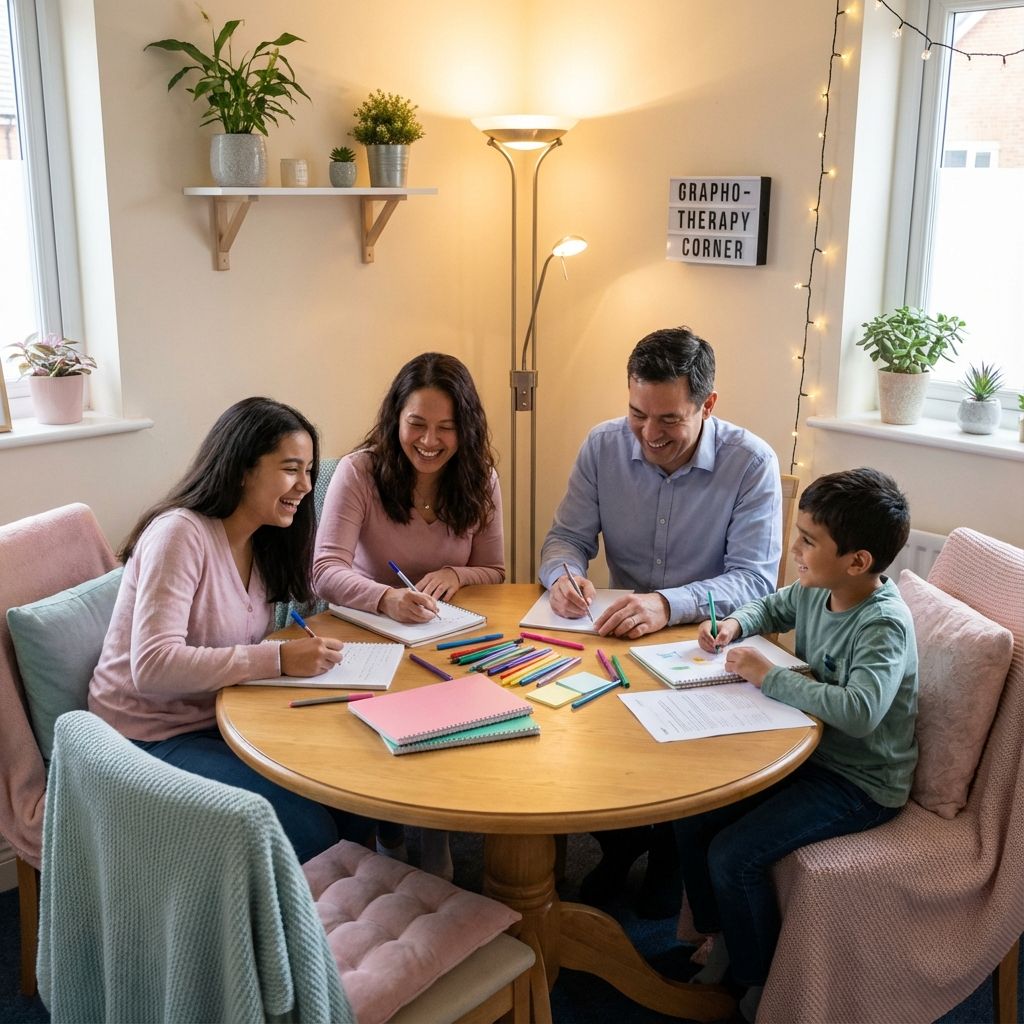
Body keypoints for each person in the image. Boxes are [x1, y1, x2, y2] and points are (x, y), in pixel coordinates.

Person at [539, 325, 782, 912]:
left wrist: (666, 603)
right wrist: (564, 576)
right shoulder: (601, 446)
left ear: (708, 406)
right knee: (564, 731)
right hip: (617, 635)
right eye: (637, 414)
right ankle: (620, 843)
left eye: (669, 419)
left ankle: (671, 852)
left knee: (685, 762)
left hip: (706, 645)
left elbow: (756, 580)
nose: (650, 434)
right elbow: (564, 539)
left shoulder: (752, 462)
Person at [674, 467, 918, 1022]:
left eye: (809, 540)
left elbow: (860, 712)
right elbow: (770, 607)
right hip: (809, 753)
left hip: (862, 783)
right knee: (694, 815)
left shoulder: (885, 625)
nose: (794, 548)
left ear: (857, 562)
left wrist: (771, 677)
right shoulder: (816, 590)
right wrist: (734, 626)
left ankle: (759, 986)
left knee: (734, 855)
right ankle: (722, 937)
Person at [89, 397, 367, 864]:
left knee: (353, 789)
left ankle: (351, 913)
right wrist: (277, 660)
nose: (305, 486)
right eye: (291, 469)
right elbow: (152, 667)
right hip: (145, 737)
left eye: (309, 471)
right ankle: (294, 927)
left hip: (219, 719)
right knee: (308, 827)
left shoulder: (261, 543)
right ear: (242, 469)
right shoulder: (180, 534)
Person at [312, 352, 504, 877]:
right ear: (395, 417)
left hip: (445, 639)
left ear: (465, 429)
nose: (429, 440)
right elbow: (324, 571)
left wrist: (458, 574)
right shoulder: (360, 472)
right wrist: (384, 597)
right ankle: (395, 830)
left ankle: (432, 831)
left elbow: (496, 570)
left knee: (451, 716)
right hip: (372, 637)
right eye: (416, 424)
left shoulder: (480, 477)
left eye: (446, 428)